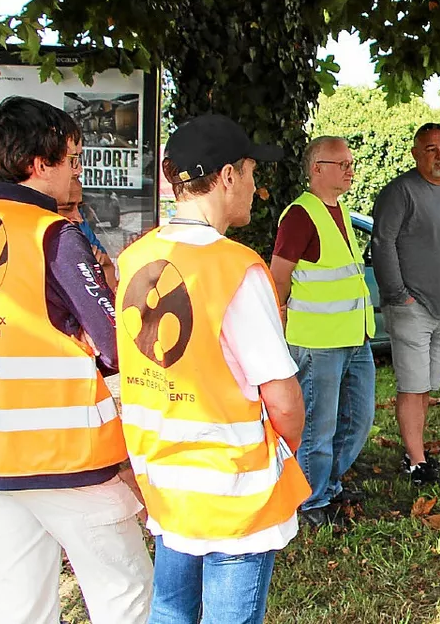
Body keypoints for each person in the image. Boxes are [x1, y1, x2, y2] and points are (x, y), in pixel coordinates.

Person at [0, 96, 152, 624]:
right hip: (62, 453)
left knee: (22, 603)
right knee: (127, 593)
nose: (78, 171)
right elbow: (116, 345)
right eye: (72, 159)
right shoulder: (52, 234)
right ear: (39, 164)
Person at [118, 114, 309, 624]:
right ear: (227, 176)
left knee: (170, 611)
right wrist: (286, 448)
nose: (255, 186)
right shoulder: (235, 267)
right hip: (232, 491)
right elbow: (283, 397)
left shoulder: (134, 258)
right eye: (250, 171)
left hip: (165, 480)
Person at [270, 136, 376, 526]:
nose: (350, 170)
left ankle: (327, 485)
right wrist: (279, 319)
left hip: (354, 336)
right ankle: (312, 501)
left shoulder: (339, 210)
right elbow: (278, 278)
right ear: (317, 169)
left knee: (358, 419)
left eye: (351, 163)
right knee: (318, 425)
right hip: (317, 341)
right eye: (341, 163)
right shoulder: (301, 215)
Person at [372, 122, 440, 484]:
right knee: (412, 385)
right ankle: (417, 463)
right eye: (431, 149)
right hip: (411, 305)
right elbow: (382, 243)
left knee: (427, 385)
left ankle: (416, 451)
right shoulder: (399, 192)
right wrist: (398, 293)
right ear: (416, 154)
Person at [57, 177, 118, 290]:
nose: (79, 218)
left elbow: (108, 270)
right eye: (67, 208)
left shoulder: (80, 228)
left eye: (80, 207)